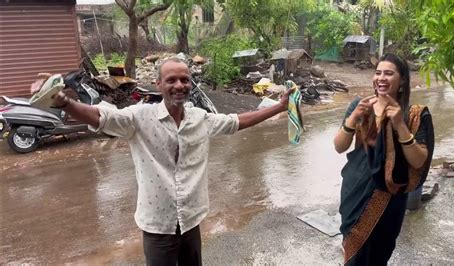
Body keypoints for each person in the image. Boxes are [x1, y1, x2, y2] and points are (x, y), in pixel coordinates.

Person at [31, 58, 294, 266]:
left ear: (190, 84)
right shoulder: (138, 118)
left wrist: (280, 107)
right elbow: (101, 117)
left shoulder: (200, 118)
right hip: (157, 225)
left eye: (184, 79)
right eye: (171, 80)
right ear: (158, 84)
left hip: (191, 221)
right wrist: (64, 101)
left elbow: (238, 121)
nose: (179, 85)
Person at [333, 53, 435, 265]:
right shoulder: (360, 106)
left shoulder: (414, 114)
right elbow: (339, 146)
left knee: (378, 255)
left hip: (389, 200)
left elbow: (418, 162)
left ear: (402, 80)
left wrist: (399, 124)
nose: (381, 78)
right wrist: (353, 118)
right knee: (353, 255)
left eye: (389, 73)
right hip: (355, 191)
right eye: (378, 73)